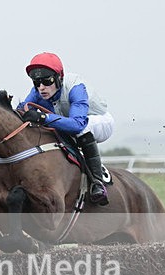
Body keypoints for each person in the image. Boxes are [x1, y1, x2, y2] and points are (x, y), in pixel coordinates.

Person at [16, 52, 115, 206]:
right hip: (67, 123)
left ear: (58, 78)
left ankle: (97, 182)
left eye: (47, 81)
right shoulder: (38, 91)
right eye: (37, 82)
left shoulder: (76, 87)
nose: (41, 88)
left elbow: (77, 124)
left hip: (97, 121)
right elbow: (22, 111)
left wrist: (43, 118)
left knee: (81, 130)